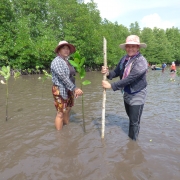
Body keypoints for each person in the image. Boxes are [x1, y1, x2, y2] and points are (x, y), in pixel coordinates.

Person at [101, 35, 148, 141]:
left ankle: (132, 144)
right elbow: (116, 72)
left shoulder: (141, 62)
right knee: (130, 116)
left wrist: (111, 86)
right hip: (126, 92)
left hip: (137, 93)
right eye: (128, 46)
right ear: (126, 47)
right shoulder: (124, 59)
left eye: (133, 46)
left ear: (138, 48)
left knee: (134, 122)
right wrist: (107, 73)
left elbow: (130, 79)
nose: (130, 48)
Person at [51, 41, 83, 130]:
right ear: (59, 50)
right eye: (63, 48)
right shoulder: (56, 62)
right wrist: (75, 88)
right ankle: (59, 135)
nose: (66, 50)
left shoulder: (67, 61)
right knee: (60, 113)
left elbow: (71, 77)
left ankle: (67, 130)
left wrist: (73, 89)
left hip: (69, 89)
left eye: (67, 49)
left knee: (67, 110)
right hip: (60, 89)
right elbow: (63, 77)